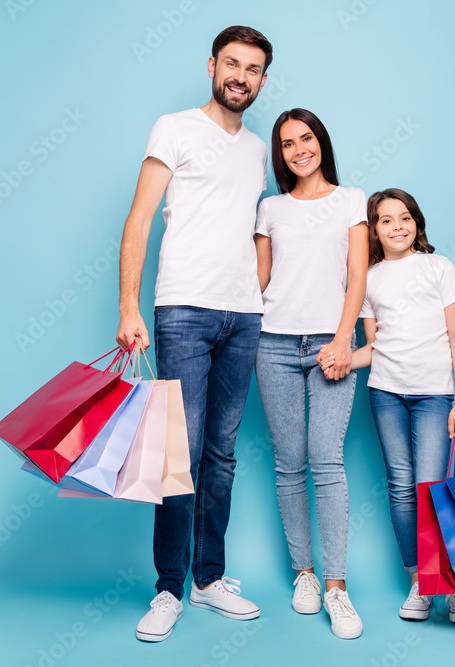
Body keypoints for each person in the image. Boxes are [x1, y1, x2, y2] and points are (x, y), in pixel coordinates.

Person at [115, 25, 273, 642]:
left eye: (253, 68)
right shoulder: (174, 128)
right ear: (212, 66)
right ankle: (167, 589)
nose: (240, 75)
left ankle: (209, 580)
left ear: (261, 80)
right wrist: (130, 308)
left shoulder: (258, 149)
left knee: (222, 455)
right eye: (231, 63)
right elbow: (140, 218)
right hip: (183, 309)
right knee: (177, 456)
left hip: (244, 316)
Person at [322, 187, 455, 624]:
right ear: (374, 229)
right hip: (386, 394)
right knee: (402, 488)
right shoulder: (368, 279)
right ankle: (420, 581)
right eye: (386, 220)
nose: (397, 226)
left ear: (417, 223)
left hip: (434, 396)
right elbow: (374, 346)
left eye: (404, 217)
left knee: (433, 488)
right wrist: (342, 361)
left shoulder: (438, 267)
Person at [253, 109, 368, 639]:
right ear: (280, 154)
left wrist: (345, 340)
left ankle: (337, 588)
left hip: (330, 346)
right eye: (288, 143)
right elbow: (257, 278)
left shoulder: (351, 201)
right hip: (271, 343)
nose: (299, 148)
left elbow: (358, 278)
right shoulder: (270, 207)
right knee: (289, 462)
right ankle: (305, 574)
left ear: (321, 141)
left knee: (327, 460)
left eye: (307, 138)